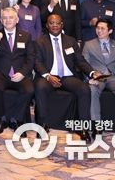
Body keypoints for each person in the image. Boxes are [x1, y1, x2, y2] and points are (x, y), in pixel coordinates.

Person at [34, 14, 99, 142]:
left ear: (62, 25)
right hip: (48, 76)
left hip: (67, 76)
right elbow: (37, 63)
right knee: (40, 87)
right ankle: (42, 124)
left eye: (57, 23)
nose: (55, 25)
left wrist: (92, 72)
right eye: (51, 23)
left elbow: (80, 61)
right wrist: (48, 76)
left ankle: (83, 127)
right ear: (47, 25)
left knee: (84, 89)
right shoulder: (39, 42)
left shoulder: (71, 41)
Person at [0, 7, 34, 134]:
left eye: (11, 17)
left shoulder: (26, 36)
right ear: (1, 20)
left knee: (29, 90)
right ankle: (0, 119)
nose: (8, 20)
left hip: (20, 73)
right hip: (1, 73)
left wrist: (22, 73)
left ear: (17, 20)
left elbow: (31, 59)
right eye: (5, 18)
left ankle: (17, 119)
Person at [82, 19, 115, 126]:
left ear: (110, 31)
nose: (99, 31)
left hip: (114, 78)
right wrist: (90, 78)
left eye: (102, 28)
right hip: (97, 78)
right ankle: (96, 125)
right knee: (92, 91)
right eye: (97, 28)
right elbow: (84, 65)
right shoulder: (89, 45)